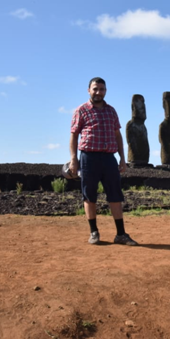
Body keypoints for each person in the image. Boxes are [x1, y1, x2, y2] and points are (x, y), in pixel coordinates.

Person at [69, 77, 138, 246]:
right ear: (89, 90)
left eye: (102, 89)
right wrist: (73, 160)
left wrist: (122, 158)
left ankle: (120, 234)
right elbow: (74, 135)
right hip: (88, 157)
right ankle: (94, 232)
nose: (99, 92)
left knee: (115, 195)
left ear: (105, 91)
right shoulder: (81, 110)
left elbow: (117, 135)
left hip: (109, 158)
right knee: (89, 195)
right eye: (95, 89)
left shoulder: (111, 111)